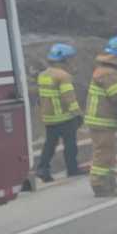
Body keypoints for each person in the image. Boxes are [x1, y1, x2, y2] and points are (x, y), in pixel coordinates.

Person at [85, 38, 117, 198]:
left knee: (108, 153)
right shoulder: (108, 73)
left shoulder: (106, 71)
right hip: (101, 119)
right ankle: (99, 185)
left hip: (103, 119)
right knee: (103, 153)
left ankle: (109, 183)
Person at [35, 42, 86, 182]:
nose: (73, 61)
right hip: (65, 117)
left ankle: (42, 168)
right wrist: (78, 114)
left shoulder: (42, 75)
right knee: (70, 145)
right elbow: (69, 97)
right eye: (71, 58)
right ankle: (72, 169)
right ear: (65, 59)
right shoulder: (63, 76)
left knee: (50, 145)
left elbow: (40, 98)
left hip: (49, 118)